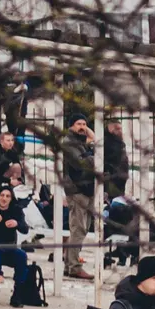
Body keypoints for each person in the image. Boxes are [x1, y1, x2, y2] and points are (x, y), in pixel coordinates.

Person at [59, 117, 102, 279]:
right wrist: (96, 157)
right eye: (79, 124)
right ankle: (74, 266)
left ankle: (70, 264)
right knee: (78, 228)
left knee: (83, 228)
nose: (82, 127)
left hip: (87, 189)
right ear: (71, 126)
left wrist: (91, 137)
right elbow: (81, 162)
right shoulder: (69, 142)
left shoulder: (81, 141)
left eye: (85, 124)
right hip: (77, 189)